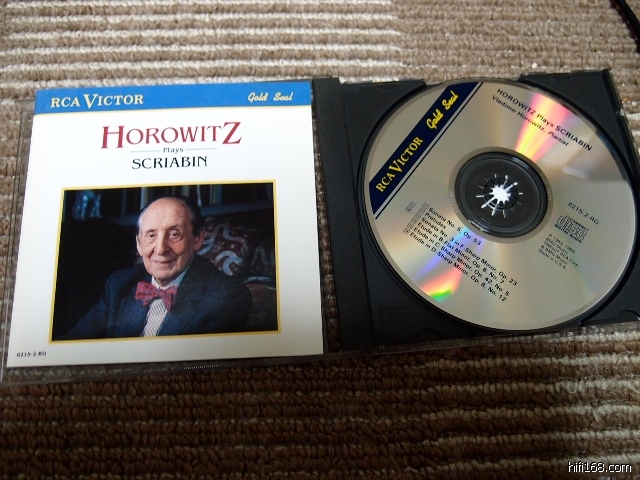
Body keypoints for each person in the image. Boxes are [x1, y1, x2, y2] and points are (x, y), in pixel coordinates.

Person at [61, 195, 253, 339]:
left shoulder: (227, 298)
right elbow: (73, 345)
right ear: (138, 243)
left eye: (174, 234)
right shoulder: (119, 285)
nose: (160, 249)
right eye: (151, 235)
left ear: (197, 238)